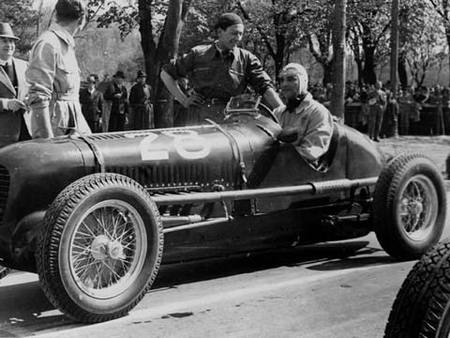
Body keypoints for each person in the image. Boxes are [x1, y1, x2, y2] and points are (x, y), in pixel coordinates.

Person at [160, 12, 283, 125]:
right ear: (219, 32)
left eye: (241, 34)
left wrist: (283, 111)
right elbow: (166, 74)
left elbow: (265, 87)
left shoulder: (247, 59)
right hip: (198, 121)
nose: (238, 38)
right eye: (234, 33)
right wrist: (183, 100)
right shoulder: (198, 54)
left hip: (231, 122)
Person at [26, 0, 91, 139]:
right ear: (82, 19)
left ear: (56, 14)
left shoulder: (65, 44)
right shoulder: (48, 43)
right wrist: (46, 140)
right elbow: (39, 96)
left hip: (72, 125)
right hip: (53, 128)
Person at [275, 63, 334, 164]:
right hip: (275, 171)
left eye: (291, 79)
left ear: (303, 82)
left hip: (302, 174)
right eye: (282, 80)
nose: (284, 84)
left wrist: (278, 158)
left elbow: (311, 152)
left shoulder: (318, 112)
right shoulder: (277, 112)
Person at [0, 22, 31, 147]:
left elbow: (32, 89)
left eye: (12, 41)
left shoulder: (24, 66)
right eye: (4, 41)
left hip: (27, 132)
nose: (9, 45)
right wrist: (6, 104)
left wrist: (30, 99)